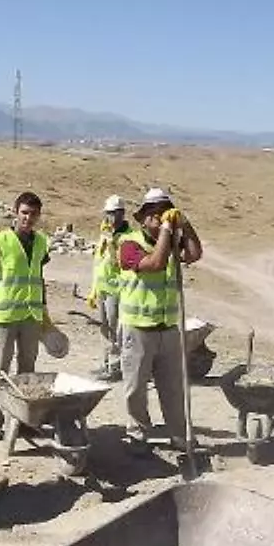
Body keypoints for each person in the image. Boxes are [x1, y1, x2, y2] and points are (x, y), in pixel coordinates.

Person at [117, 188, 203, 451]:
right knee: (136, 389)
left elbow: (195, 254)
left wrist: (185, 226)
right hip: (138, 329)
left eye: (164, 213)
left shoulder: (171, 242)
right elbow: (155, 263)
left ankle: (179, 435)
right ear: (142, 219)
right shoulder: (129, 244)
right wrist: (168, 229)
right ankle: (138, 435)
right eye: (154, 214)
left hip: (168, 329)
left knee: (173, 387)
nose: (160, 219)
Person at [0, 191, 55, 439]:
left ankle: (24, 418)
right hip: (4, 314)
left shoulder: (42, 242)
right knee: (0, 369)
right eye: (24, 212)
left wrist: (44, 311)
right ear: (15, 213)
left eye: (33, 214)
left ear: (38, 215)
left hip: (31, 315)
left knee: (27, 369)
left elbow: (38, 277)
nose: (28, 218)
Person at [87, 195, 130, 381]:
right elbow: (99, 263)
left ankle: (119, 366)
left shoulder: (127, 237)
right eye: (107, 214)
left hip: (117, 290)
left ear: (121, 214)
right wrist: (94, 290)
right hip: (103, 288)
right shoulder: (105, 234)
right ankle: (106, 364)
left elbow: (118, 262)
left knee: (117, 329)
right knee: (105, 329)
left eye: (113, 214)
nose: (110, 218)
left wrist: (112, 243)